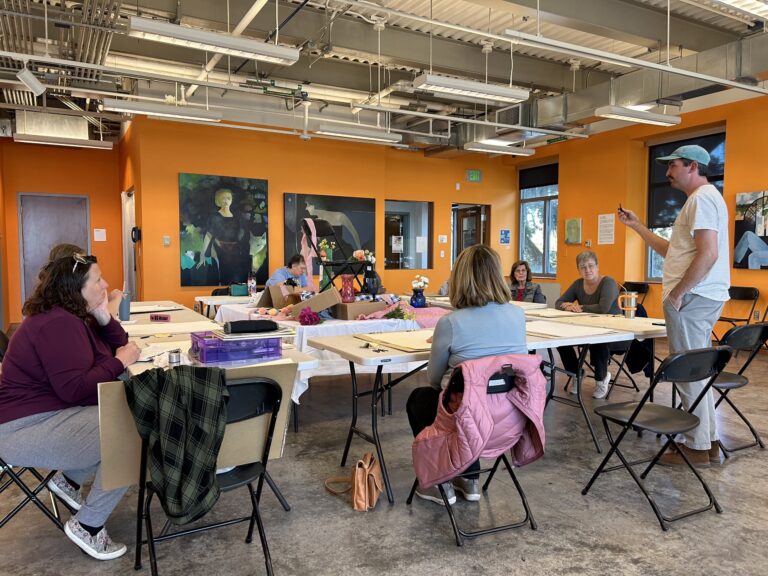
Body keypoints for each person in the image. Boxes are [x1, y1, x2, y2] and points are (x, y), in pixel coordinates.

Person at [0, 253, 140, 560]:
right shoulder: (58, 324)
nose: (105, 284)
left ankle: (68, 480)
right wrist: (119, 361)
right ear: (76, 287)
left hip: (43, 416)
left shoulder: (72, 315)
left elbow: (119, 343)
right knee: (133, 430)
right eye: (97, 279)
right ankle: (88, 526)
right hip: (22, 428)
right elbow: (76, 390)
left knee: (123, 414)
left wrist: (104, 316)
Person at [618, 144, 729, 467]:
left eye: (673, 165)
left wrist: (678, 293)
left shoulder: (702, 200)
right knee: (699, 372)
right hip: (702, 297)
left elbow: (709, 253)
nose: (667, 172)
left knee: (687, 373)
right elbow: (673, 251)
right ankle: (707, 440)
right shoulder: (704, 200)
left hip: (692, 299)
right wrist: (637, 226)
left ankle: (695, 446)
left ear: (693, 167)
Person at [406, 245, 527, 504]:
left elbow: (435, 380)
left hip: (469, 422)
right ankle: (470, 479)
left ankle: (439, 482)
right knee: (475, 399)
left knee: (422, 399)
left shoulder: (451, 322)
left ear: (460, 278)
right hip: (510, 421)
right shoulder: (518, 316)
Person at [555, 250, 624, 399]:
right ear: (578, 270)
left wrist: (579, 308)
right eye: (583, 267)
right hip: (587, 330)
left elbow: (603, 308)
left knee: (598, 340)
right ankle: (576, 373)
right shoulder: (578, 284)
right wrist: (567, 306)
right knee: (560, 340)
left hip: (617, 333)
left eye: (591, 266)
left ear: (598, 266)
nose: (587, 270)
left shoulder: (608, 282)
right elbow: (558, 302)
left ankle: (601, 379)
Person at [43, 243, 123, 318]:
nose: (86, 268)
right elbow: (99, 323)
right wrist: (116, 300)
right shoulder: (65, 313)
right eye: (82, 266)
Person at [196, 188, 245, 285]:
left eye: (228, 198)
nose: (226, 200)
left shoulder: (237, 218)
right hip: (219, 250)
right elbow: (209, 235)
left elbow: (241, 235)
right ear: (218, 200)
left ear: (231, 200)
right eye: (223, 198)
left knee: (236, 278)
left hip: (235, 252)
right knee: (223, 276)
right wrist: (203, 254)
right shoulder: (215, 217)